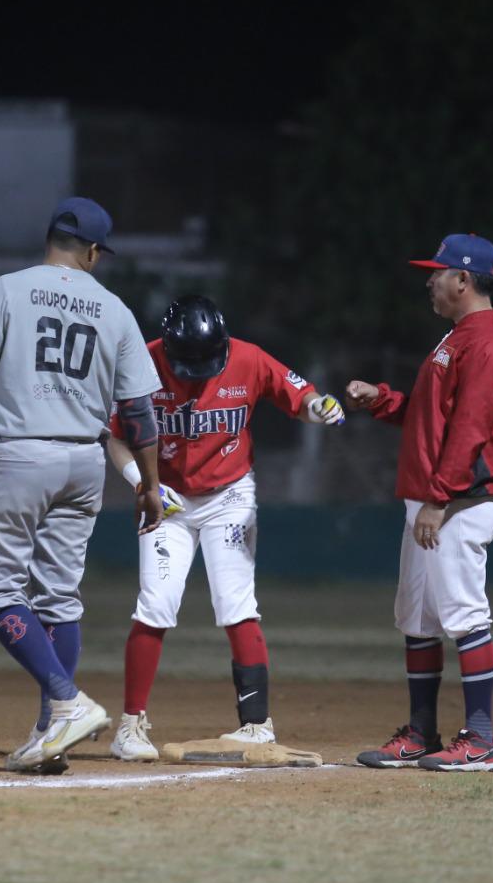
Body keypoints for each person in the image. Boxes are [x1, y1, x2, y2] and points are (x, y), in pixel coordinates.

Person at [0, 197, 165, 775]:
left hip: (19, 455)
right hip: (85, 462)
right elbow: (137, 410)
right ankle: (49, 733)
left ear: (50, 239)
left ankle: (65, 703)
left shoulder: (7, 291)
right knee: (58, 598)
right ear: (92, 251)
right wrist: (150, 483)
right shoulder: (114, 309)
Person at [104, 294, 346, 761]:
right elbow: (116, 437)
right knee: (156, 603)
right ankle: (131, 727)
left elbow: (301, 397)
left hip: (229, 495)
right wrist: (141, 483)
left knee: (236, 601)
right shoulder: (143, 361)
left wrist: (321, 408)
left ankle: (256, 726)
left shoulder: (248, 357)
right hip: (165, 495)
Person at [345, 233, 493, 773]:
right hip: (434, 499)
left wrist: (439, 500)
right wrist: (384, 400)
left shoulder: (486, 343)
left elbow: (469, 430)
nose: (430, 280)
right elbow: (432, 417)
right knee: (419, 619)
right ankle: (422, 733)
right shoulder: (458, 337)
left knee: (465, 615)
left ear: (463, 280)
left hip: (458, 503)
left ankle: (483, 740)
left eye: (438, 272)